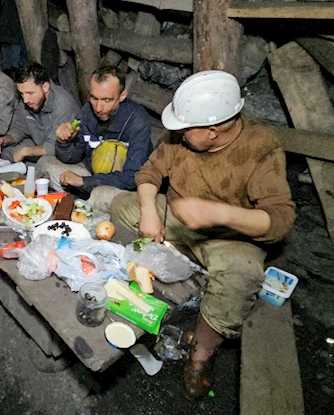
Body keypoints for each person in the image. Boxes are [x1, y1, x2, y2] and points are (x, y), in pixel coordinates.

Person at [109, 70, 296, 398]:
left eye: (185, 130)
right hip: (177, 216)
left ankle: (202, 351)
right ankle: (174, 255)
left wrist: (219, 213)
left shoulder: (261, 147)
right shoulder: (181, 136)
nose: (178, 134)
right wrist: (150, 210)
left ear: (213, 131)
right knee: (119, 205)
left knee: (243, 275)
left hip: (229, 237)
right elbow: (151, 171)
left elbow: (280, 220)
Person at [37, 65, 152, 211]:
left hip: (119, 185)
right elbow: (73, 157)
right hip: (90, 174)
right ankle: (76, 203)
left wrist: (85, 182)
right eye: (94, 98)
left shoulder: (137, 120)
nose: (98, 108)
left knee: (100, 195)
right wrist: (63, 143)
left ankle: (83, 206)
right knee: (45, 164)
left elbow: (133, 176)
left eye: (106, 100)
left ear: (122, 96)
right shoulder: (87, 112)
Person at [0, 63, 79, 163]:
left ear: (45, 87)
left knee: (43, 163)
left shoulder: (62, 104)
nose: (25, 100)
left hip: (65, 154)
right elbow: (19, 129)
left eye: (30, 93)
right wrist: (3, 140)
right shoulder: (27, 101)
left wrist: (25, 152)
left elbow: (54, 146)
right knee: (5, 153)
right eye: (22, 94)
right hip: (38, 143)